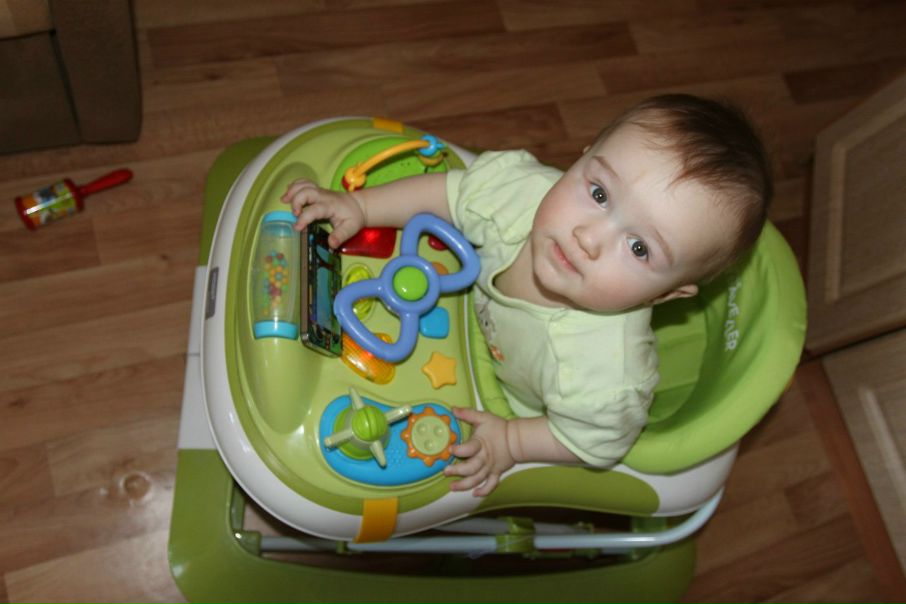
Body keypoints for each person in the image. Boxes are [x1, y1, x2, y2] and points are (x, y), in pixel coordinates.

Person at [282, 94, 772, 496]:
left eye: (639, 248)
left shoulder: (605, 379)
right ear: (582, 159)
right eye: (599, 194)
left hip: (506, 400)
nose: (588, 237)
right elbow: (450, 194)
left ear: (666, 295)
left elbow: (591, 443)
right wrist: (361, 207)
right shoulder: (521, 195)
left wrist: (512, 442)